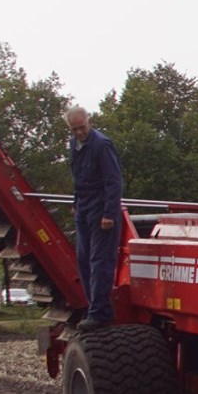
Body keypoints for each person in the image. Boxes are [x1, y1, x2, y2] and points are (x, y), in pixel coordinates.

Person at [66, 104, 124, 328]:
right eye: (74, 129)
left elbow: (113, 180)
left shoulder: (102, 144)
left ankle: (100, 312)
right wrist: (76, 203)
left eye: (82, 127)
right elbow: (77, 177)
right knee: (83, 260)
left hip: (101, 210)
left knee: (100, 260)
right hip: (84, 208)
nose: (79, 132)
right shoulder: (73, 145)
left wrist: (109, 213)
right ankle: (93, 307)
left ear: (89, 121)